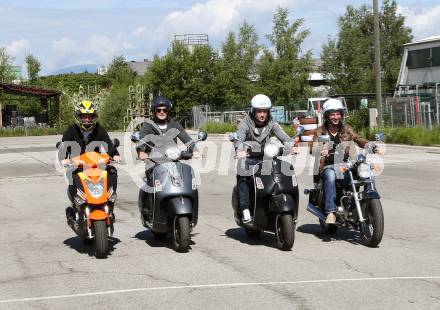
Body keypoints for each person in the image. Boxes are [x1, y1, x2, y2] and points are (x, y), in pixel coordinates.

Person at [310, 98, 380, 224]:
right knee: (330, 176)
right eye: (332, 114)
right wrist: (320, 149)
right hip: (328, 165)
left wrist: (370, 145)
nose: (335, 117)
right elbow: (313, 147)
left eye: (338, 114)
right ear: (327, 115)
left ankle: (369, 203)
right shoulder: (320, 131)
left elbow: (358, 138)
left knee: (367, 172)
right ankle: (330, 212)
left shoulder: (346, 129)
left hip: (347, 165)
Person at [234, 94, 297, 223]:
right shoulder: (245, 123)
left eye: (265, 111)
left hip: (267, 156)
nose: (262, 115)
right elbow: (239, 138)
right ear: (253, 111)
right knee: (242, 170)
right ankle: (245, 209)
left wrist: (292, 146)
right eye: (259, 111)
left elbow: (284, 136)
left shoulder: (272, 122)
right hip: (250, 157)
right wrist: (240, 150)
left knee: (284, 170)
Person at [59, 100, 120, 222]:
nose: (87, 120)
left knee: (112, 171)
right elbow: (64, 147)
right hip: (78, 165)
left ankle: (109, 201)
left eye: (89, 116)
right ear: (78, 116)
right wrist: (65, 158)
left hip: (96, 165)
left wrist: (115, 154)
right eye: (84, 116)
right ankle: (76, 205)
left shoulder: (99, 129)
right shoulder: (71, 131)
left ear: (94, 117)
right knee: (71, 174)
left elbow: (108, 144)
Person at [137, 96, 200, 163]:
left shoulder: (175, 124)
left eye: (164, 110)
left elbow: (186, 138)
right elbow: (141, 139)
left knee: (185, 171)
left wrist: (194, 150)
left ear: (168, 111)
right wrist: (141, 152)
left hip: (173, 160)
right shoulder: (148, 125)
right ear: (154, 111)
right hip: (153, 162)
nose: (162, 112)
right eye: (158, 110)